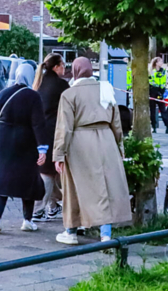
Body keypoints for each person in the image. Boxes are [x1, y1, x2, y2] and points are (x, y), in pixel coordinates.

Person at [53, 57, 131, 245]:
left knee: (74, 186)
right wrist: (120, 146)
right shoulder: (106, 89)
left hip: (80, 142)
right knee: (106, 186)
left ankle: (70, 230)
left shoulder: (69, 94)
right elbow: (117, 122)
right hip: (106, 140)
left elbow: (65, 127)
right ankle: (106, 234)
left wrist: (59, 154)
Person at [0, 64, 49, 233]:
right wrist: (42, 149)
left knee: (1, 178)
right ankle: (27, 220)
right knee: (28, 179)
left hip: (3, 141)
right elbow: (38, 124)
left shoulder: (3, 93)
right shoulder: (33, 96)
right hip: (25, 142)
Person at [32, 54, 67, 222]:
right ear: (56, 67)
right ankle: (38, 209)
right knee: (48, 172)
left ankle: (53, 207)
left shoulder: (39, 83)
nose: (64, 69)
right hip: (54, 132)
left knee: (50, 171)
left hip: (40, 132)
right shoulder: (61, 85)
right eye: (63, 65)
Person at [149, 57, 168, 135]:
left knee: (163, 110)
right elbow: (150, 82)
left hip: (161, 92)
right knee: (152, 111)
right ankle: (154, 127)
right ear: (156, 63)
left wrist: (162, 90)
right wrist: (156, 89)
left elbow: (165, 81)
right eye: (160, 61)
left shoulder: (164, 71)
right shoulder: (151, 72)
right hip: (153, 92)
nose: (162, 63)